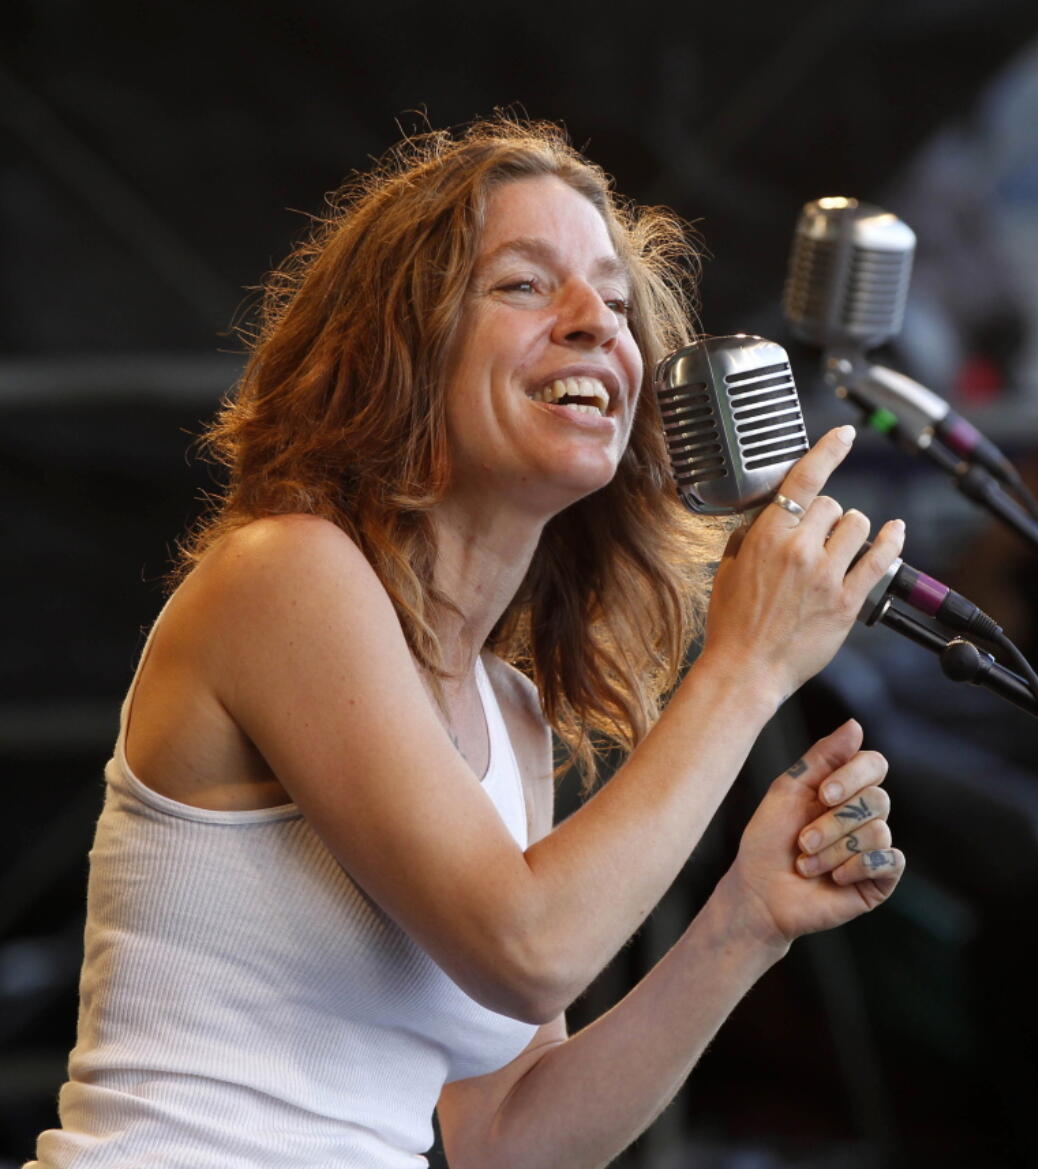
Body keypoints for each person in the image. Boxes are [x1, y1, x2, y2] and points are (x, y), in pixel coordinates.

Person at [27, 117, 907, 1169]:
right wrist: (747, 663)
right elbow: (527, 944)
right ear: (400, 346)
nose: (595, 323)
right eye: (525, 285)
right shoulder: (284, 574)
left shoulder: (511, 712)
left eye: (618, 304)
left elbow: (503, 1136)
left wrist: (743, 921)